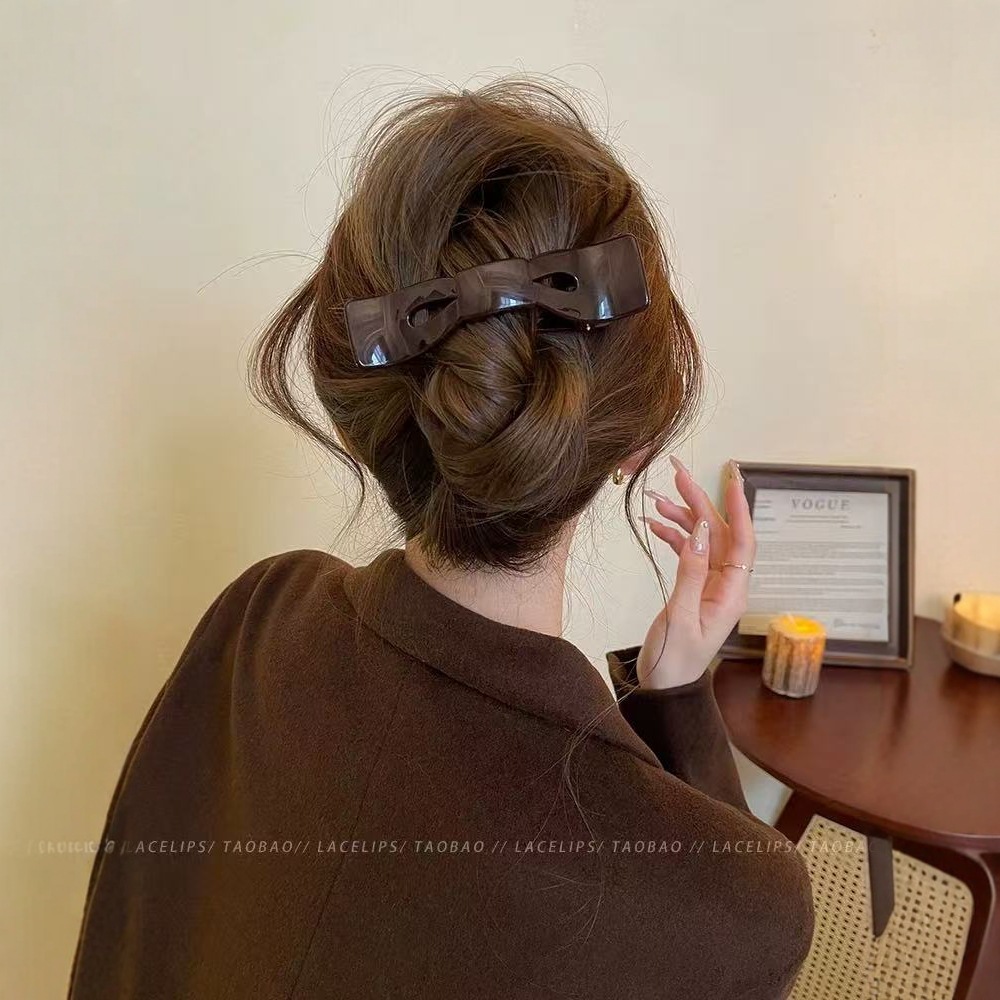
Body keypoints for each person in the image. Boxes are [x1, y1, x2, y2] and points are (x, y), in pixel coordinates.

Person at [69, 78, 814, 999]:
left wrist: (672, 691)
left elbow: (129, 939)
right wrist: (681, 702)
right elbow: (712, 905)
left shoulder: (256, 620)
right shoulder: (743, 907)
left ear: (363, 419)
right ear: (638, 442)